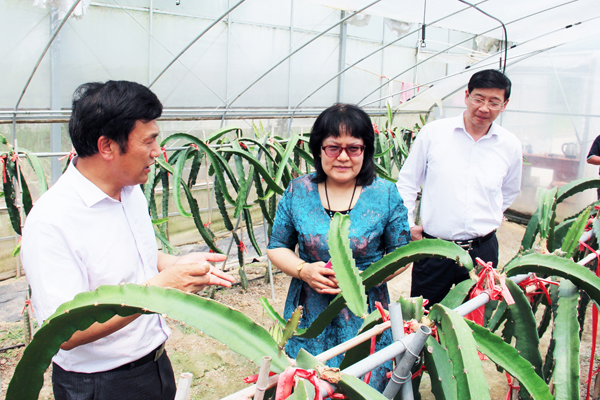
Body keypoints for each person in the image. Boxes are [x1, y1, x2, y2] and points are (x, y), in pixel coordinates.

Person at [21, 80, 235, 400]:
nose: (157, 152)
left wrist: (176, 264)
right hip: (99, 384)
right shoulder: (51, 222)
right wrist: (159, 290)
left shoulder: (130, 190)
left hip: (154, 362)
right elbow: (64, 332)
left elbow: (136, 256)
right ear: (107, 146)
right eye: (148, 141)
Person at [266, 103, 411, 391]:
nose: (343, 157)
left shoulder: (385, 194)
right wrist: (304, 270)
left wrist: (360, 279)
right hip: (308, 311)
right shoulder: (298, 190)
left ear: (365, 150)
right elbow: (277, 246)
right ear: (319, 149)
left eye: (353, 148)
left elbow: (402, 255)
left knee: (364, 385)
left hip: (364, 310)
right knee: (308, 384)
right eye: (333, 147)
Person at [396, 69, 522, 307]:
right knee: (423, 316)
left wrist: (489, 216)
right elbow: (408, 182)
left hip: (483, 252)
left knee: (475, 315)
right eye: (478, 98)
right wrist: (408, 224)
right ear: (466, 96)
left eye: (494, 102)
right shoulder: (434, 133)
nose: (484, 108)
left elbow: (510, 190)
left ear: (504, 105)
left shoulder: (509, 144)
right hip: (435, 249)